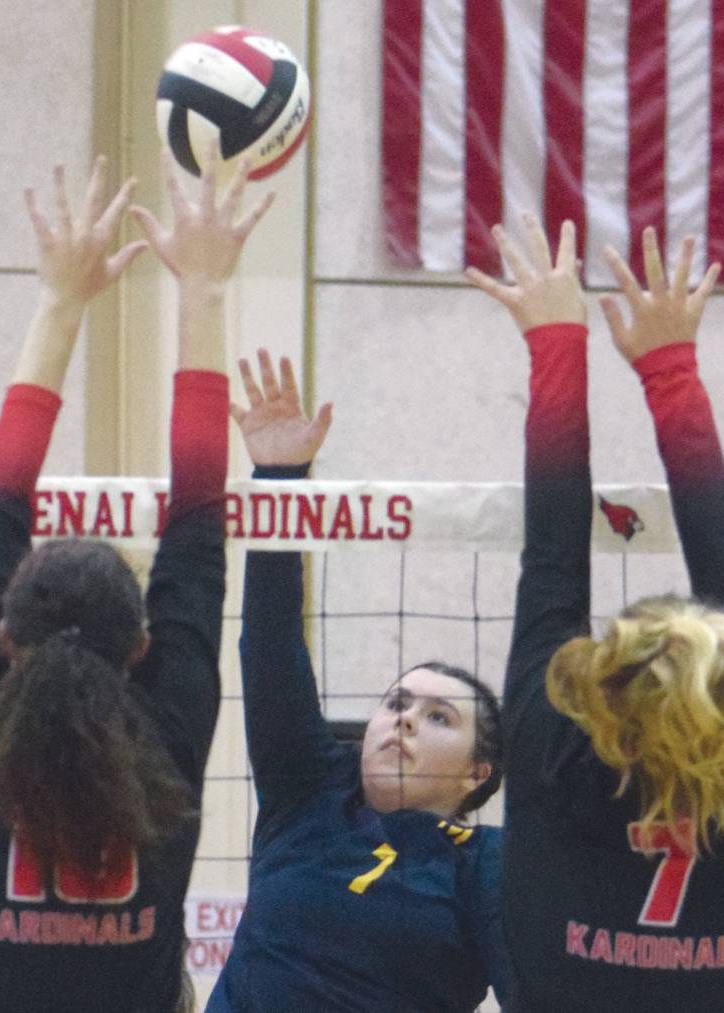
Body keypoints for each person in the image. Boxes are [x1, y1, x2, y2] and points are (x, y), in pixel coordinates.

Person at [467, 218, 724, 1012]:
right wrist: (659, 366)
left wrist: (578, 346)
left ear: (606, 683)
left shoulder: (559, 753)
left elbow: (553, 556)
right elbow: (580, 565)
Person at [0, 147, 272, 1013]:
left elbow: (8, 500)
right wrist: (204, 292)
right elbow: (198, 507)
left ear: (6, 638)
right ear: (142, 646)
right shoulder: (163, 727)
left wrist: (60, 300)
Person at [204, 350, 509, 1011]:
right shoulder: (308, 790)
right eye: (397, 702)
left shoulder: (482, 864)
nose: (403, 719)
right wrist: (280, 478)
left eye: (438, 717)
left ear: (477, 773)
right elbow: (270, 644)